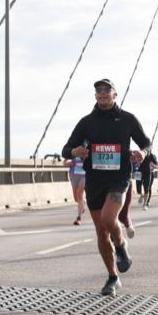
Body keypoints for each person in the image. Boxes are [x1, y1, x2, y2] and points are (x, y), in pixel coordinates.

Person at [62, 78, 151, 296]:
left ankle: (121, 246)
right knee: (101, 233)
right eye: (98, 91)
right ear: (95, 96)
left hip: (118, 179)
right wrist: (76, 152)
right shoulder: (86, 122)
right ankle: (112, 277)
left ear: (115, 94)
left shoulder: (128, 119)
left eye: (106, 90)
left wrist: (143, 153)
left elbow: (146, 143)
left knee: (109, 220)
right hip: (95, 181)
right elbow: (66, 149)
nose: (102, 93)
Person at [65, 155, 87, 225]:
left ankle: (79, 218)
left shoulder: (87, 148)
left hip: (84, 175)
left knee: (80, 195)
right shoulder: (73, 150)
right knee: (76, 199)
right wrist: (69, 163)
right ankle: (83, 203)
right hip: (73, 175)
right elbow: (65, 162)